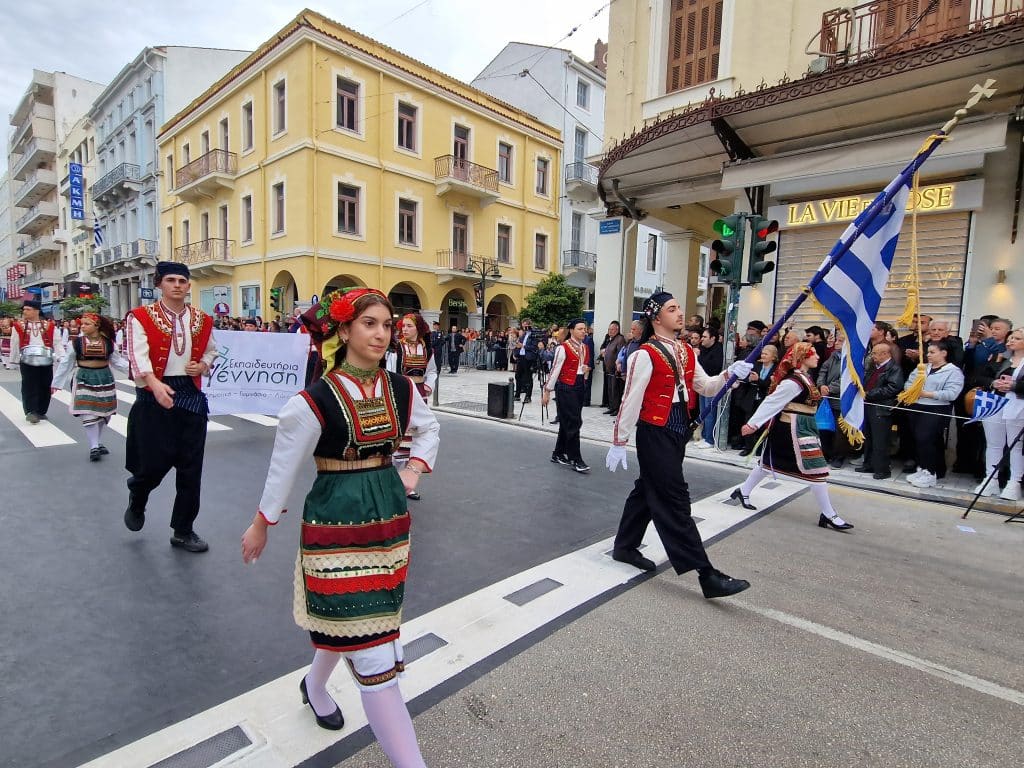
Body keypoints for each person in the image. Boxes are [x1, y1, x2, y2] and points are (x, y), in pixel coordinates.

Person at [241, 288, 438, 767]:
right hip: (336, 518)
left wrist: (414, 467)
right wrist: (262, 522)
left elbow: (429, 428)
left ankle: (314, 684)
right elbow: (283, 465)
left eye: (387, 325)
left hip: (389, 516)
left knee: (363, 618)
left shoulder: (401, 387)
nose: (380, 333)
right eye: (369, 323)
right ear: (345, 330)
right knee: (371, 650)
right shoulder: (316, 399)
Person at [605, 291, 753, 599]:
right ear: (656, 317)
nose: (680, 313)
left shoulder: (687, 350)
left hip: (678, 428)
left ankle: (624, 546)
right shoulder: (643, 354)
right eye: (672, 309)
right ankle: (705, 573)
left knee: (648, 490)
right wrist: (619, 440)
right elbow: (630, 399)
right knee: (675, 500)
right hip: (655, 431)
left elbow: (706, 386)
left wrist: (729, 373)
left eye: (679, 308)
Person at [123, 262, 218, 553]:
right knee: (153, 465)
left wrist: (201, 365)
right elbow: (135, 356)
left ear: (189, 286)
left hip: (190, 394)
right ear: (160, 284)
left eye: (182, 281)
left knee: (191, 468)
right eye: (171, 280)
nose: (177, 285)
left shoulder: (202, 319)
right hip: (154, 394)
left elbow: (213, 351)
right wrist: (153, 383)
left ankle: (183, 530)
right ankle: (138, 494)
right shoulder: (140, 317)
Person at [734, 342, 854, 531]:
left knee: (768, 463)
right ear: (802, 357)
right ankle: (829, 514)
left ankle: (743, 490)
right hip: (791, 428)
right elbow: (772, 402)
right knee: (817, 470)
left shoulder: (803, 377)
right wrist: (753, 423)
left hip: (802, 426)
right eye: (813, 354)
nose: (818, 357)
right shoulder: (793, 382)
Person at [51, 313, 129, 461]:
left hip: (105, 378)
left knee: (103, 413)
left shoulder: (109, 343)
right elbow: (66, 363)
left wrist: (136, 372)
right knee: (88, 412)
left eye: (87, 324)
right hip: (83, 378)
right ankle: (94, 446)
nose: (83, 326)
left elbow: (118, 362)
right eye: (82, 324)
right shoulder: (76, 343)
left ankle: (97, 443)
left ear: (96, 325)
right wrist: (56, 383)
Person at [902, 339, 964, 488]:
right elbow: (909, 383)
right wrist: (912, 391)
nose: (928, 355)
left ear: (943, 353)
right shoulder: (922, 368)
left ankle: (931, 472)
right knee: (918, 439)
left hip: (936, 408)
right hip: (917, 405)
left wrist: (927, 394)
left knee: (927, 439)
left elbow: (952, 393)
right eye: (927, 352)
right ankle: (922, 468)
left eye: (932, 352)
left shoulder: (953, 371)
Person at [973, 326, 1024, 501]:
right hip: (996, 402)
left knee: (1015, 446)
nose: (1010, 341)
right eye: (1010, 338)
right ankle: (991, 478)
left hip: (1018, 405)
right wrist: (994, 383)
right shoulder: (1002, 358)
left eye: (1016, 338)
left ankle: (1014, 482)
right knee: (994, 443)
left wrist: (1014, 386)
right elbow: (979, 375)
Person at [396, 312, 438, 501]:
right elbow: (392, 371)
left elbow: (432, 371)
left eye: (409, 326)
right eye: (403, 326)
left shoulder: (426, 348)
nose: (405, 329)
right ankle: (395, 480)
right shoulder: (398, 348)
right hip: (402, 392)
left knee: (416, 437)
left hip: (420, 394)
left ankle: (408, 482)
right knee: (400, 438)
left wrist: (428, 385)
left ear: (418, 328)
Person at [543, 319, 592, 473]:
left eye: (584, 329)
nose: (583, 331)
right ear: (571, 331)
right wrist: (547, 391)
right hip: (565, 386)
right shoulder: (563, 348)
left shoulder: (584, 347)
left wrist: (584, 370)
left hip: (578, 385)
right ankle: (575, 458)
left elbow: (582, 366)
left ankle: (558, 453)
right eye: (580, 329)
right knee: (574, 422)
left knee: (567, 421)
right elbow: (555, 370)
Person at [854, 341, 904, 480]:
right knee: (868, 437)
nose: (872, 355)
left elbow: (893, 388)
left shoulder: (894, 368)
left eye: (875, 353)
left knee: (880, 440)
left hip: (881, 408)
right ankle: (868, 464)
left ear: (885, 354)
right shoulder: (873, 367)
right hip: (869, 406)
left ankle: (882, 469)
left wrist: (869, 394)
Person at [10, 298, 61, 424]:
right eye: (24, 309)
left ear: (36, 311)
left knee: (45, 384)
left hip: (46, 359)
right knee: (29, 385)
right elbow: (14, 343)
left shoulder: (49, 325)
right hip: (27, 360)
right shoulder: (18, 326)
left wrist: (61, 357)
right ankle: (31, 411)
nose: (25, 312)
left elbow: (57, 342)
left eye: (28, 309)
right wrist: (14, 360)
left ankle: (41, 411)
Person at [731, 344, 778, 456]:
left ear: (773, 356)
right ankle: (748, 447)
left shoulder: (776, 369)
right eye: (762, 353)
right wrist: (750, 379)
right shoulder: (756, 365)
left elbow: (770, 385)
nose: (763, 355)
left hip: (765, 400)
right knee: (748, 422)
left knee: (762, 425)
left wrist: (758, 380)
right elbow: (746, 378)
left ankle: (760, 448)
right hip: (751, 398)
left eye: (766, 353)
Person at [693, 328, 723, 449]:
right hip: (703, 384)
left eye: (705, 337)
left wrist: (699, 357)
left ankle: (710, 439)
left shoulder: (718, 350)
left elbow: (714, 367)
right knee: (703, 411)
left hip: (712, 384)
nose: (702, 339)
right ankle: (705, 436)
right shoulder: (703, 349)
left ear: (713, 338)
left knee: (710, 412)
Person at [599, 321, 625, 415]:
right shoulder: (611, 339)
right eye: (609, 329)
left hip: (615, 370)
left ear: (617, 330)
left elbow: (620, 354)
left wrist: (618, 365)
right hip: (608, 369)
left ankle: (616, 409)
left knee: (615, 390)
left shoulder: (620, 339)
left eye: (612, 329)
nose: (610, 331)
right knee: (610, 389)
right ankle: (611, 406)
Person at [513, 319, 539, 403]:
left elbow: (534, 347)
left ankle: (528, 396)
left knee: (528, 377)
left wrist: (523, 346)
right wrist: (516, 352)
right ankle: (517, 395)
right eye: (522, 325)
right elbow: (519, 344)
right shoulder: (523, 335)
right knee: (518, 376)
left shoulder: (534, 334)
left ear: (529, 325)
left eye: (525, 325)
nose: (523, 327)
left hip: (528, 358)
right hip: (521, 357)